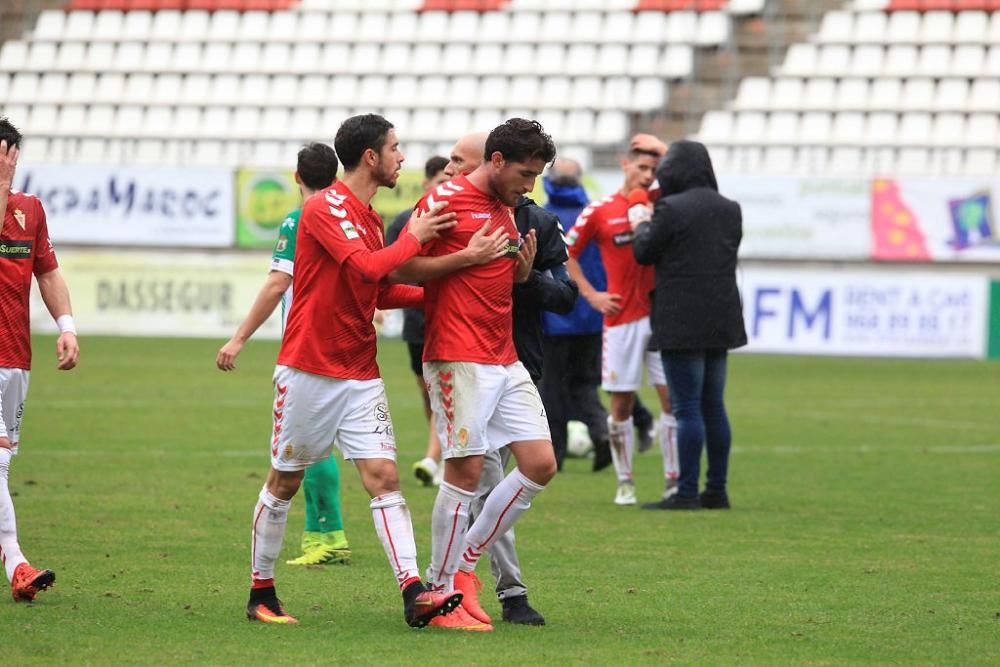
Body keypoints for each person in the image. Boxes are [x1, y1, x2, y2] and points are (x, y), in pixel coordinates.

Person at [244, 114, 463, 626]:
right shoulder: (324, 207)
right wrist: (417, 236)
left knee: (384, 477)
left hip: (360, 371)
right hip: (309, 368)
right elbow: (369, 268)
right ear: (371, 156)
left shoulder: (366, 215)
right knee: (283, 483)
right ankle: (261, 593)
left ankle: (414, 592)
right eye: (395, 148)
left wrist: (439, 295)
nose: (401, 157)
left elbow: (378, 290)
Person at [397, 119, 559, 631]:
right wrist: (468, 256)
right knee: (464, 474)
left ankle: (463, 564)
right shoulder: (443, 203)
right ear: (495, 161)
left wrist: (519, 276)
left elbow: (494, 276)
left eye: (535, 175)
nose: (529, 185)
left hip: (504, 356)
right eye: (524, 173)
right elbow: (402, 269)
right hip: (457, 355)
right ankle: (438, 592)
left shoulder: (510, 209)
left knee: (540, 464)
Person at [217, 143, 351, 566]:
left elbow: (277, 284)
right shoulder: (348, 215)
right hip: (346, 343)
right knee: (327, 446)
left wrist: (238, 338)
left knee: (305, 447)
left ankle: (325, 536)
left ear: (296, 178)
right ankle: (327, 533)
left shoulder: (299, 219)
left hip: (309, 347)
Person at [564, 134, 678, 507]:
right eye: (642, 167)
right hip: (621, 320)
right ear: (624, 164)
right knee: (621, 406)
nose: (648, 175)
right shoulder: (600, 210)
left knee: (671, 403)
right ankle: (625, 482)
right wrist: (591, 294)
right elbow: (566, 253)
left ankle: (673, 481)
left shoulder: (664, 205)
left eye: (654, 170)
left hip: (662, 318)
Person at [632, 140, 747, 510]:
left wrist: (641, 224)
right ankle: (717, 489)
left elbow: (644, 252)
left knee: (686, 408)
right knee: (714, 405)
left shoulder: (670, 208)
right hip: (722, 314)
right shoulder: (730, 209)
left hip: (681, 316)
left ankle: (685, 493)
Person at [0, 117, 80, 602]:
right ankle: (17, 562)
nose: (6, 163)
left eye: (9, 155)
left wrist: (66, 326)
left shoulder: (30, 210)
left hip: (16, 359)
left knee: (3, 466)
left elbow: (47, 273)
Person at [540, 160, 657, 471]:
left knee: (550, 387)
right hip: (593, 316)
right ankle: (601, 431)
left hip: (554, 316)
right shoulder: (596, 213)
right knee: (584, 384)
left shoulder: (541, 217)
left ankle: (556, 452)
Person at [385, 156, 450, 487]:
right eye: (440, 182)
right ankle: (438, 455)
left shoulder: (458, 220)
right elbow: (391, 267)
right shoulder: (404, 221)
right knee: (428, 395)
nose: (445, 188)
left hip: (449, 321)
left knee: (446, 393)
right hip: (417, 321)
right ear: (426, 184)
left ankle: (434, 457)